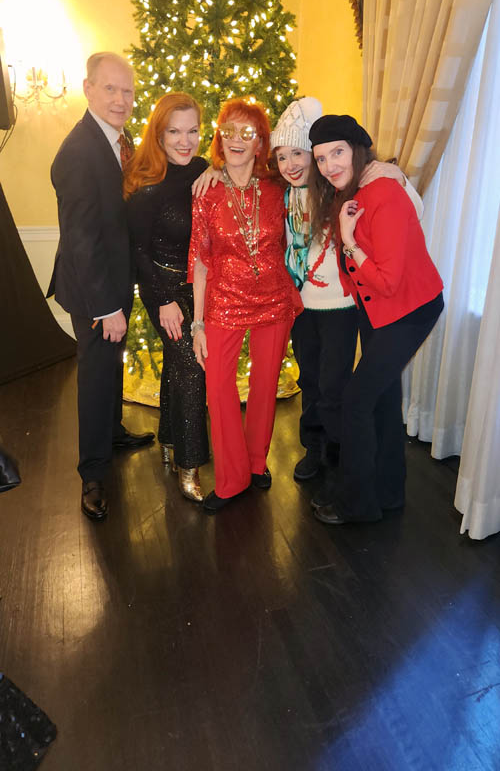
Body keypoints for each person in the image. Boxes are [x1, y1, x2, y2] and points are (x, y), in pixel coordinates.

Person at [270, 98, 424, 499]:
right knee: (309, 377)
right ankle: (314, 446)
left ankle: (339, 449)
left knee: (334, 381)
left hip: (340, 306)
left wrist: (397, 174)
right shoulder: (281, 196)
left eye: (299, 154)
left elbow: (408, 214)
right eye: (282, 156)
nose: (291, 164)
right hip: (302, 305)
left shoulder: (339, 188)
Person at [307, 114, 443, 524]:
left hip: (408, 310)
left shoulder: (383, 191)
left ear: (357, 150)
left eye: (338, 152)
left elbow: (386, 280)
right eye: (321, 158)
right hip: (378, 309)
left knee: (356, 403)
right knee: (382, 401)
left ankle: (357, 506)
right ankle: (387, 494)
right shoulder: (350, 189)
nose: (329, 165)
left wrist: (348, 242)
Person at [48, 52, 154, 521]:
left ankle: (111, 432)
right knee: (94, 374)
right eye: (110, 89)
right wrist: (107, 305)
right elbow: (81, 240)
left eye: (127, 90)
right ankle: (92, 473)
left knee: (112, 363)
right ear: (88, 88)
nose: (121, 99)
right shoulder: (77, 151)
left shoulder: (118, 137)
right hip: (94, 288)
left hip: (114, 280)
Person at [188, 98, 301, 512]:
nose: (236, 140)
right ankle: (231, 478)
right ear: (219, 138)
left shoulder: (278, 188)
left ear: (260, 143)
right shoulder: (206, 191)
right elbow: (200, 262)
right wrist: (198, 323)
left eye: (247, 133)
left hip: (273, 298)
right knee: (218, 389)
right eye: (228, 131)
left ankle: (256, 464)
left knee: (265, 384)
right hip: (223, 302)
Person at [124, 93, 211, 503]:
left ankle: (169, 439)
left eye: (192, 130)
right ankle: (189, 466)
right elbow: (138, 251)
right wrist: (163, 301)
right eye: (174, 131)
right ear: (158, 134)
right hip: (164, 291)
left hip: (200, 289)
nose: (185, 140)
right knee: (193, 367)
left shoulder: (204, 171)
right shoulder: (145, 183)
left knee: (180, 367)